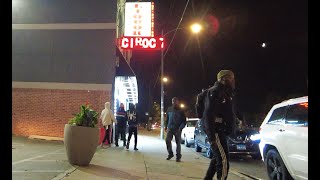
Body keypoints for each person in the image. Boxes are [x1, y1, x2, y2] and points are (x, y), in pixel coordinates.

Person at [202, 70, 237, 180]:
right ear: (223, 79)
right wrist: (211, 136)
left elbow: (228, 113)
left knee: (217, 158)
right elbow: (208, 115)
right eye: (231, 78)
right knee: (223, 161)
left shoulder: (225, 93)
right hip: (215, 131)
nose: (233, 81)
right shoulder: (215, 91)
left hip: (220, 130)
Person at [164, 97, 186, 162]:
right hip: (170, 129)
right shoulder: (169, 109)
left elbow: (184, 121)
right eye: (173, 101)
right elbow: (167, 119)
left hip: (177, 130)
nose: (174, 102)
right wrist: (166, 126)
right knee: (167, 140)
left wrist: (180, 128)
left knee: (178, 143)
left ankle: (178, 156)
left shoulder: (181, 110)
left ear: (178, 102)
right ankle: (170, 154)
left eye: (175, 101)